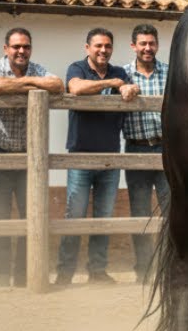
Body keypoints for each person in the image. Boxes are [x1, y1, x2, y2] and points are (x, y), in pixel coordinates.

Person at [0, 28, 64, 287]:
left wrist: (25, 85)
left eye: (26, 47)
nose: (21, 51)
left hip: (31, 156)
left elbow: (57, 85)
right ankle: (1, 278)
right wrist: (32, 85)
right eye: (16, 46)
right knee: (0, 216)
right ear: (5, 48)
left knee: (33, 215)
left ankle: (23, 277)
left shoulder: (38, 69)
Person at [56, 27, 138, 285]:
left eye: (107, 46)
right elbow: (76, 89)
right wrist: (110, 84)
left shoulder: (119, 73)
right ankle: (65, 273)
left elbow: (127, 88)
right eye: (98, 46)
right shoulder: (77, 68)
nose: (103, 50)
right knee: (75, 217)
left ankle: (97, 271)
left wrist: (129, 89)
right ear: (87, 48)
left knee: (104, 217)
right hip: (80, 155)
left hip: (110, 155)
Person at [122, 24, 169, 282]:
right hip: (135, 147)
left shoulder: (170, 73)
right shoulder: (124, 75)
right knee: (139, 212)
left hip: (166, 148)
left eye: (151, 43)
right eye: (143, 43)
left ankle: (166, 267)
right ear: (134, 46)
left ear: (157, 45)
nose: (147, 48)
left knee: (170, 211)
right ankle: (143, 268)